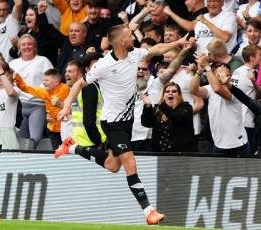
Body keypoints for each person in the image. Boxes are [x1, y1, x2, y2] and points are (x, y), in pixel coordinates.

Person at [57, 24, 189, 225]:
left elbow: (156, 49)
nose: (133, 38)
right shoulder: (104, 64)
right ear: (120, 41)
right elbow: (79, 83)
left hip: (127, 123)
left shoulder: (134, 54)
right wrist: (66, 106)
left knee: (112, 165)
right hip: (112, 123)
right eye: (129, 35)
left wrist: (178, 43)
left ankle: (71, 147)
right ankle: (149, 211)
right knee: (130, 162)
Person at [9, 34, 53, 147]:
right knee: (21, 142)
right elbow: (8, 84)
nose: (27, 47)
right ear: (19, 48)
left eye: (30, 44)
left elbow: (52, 81)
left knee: (35, 140)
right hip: (19, 106)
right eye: (23, 44)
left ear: (34, 47)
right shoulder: (13, 64)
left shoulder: (43, 61)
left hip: (37, 104)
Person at [14, 68, 70, 149]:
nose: (44, 82)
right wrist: (18, 79)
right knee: (57, 153)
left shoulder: (65, 89)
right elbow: (27, 89)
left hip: (66, 128)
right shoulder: (44, 92)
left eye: (47, 80)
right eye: (43, 80)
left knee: (68, 153)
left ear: (56, 82)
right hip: (53, 129)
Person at [141, 82, 196, 152]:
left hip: (181, 153)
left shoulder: (186, 107)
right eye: (167, 91)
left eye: (174, 91)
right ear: (163, 95)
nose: (170, 93)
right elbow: (146, 123)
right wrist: (148, 105)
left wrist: (160, 104)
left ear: (179, 95)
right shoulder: (158, 109)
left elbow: (177, 117)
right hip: (160, 153)